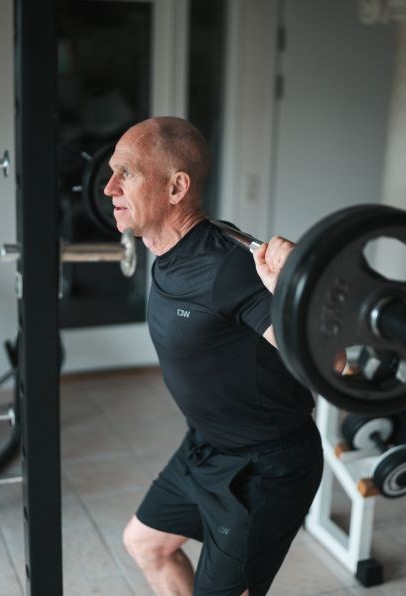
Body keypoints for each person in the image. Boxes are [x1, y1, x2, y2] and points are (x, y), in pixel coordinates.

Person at [105, 116, 320, 595]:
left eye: (127, 174)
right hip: (207, 446)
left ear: (177, 187)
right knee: (146, 544)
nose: (109, 187)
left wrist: (289, 291)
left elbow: (334, 364)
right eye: (111, 172)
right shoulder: (166, 250)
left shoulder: (230, 266)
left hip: (265, 467)